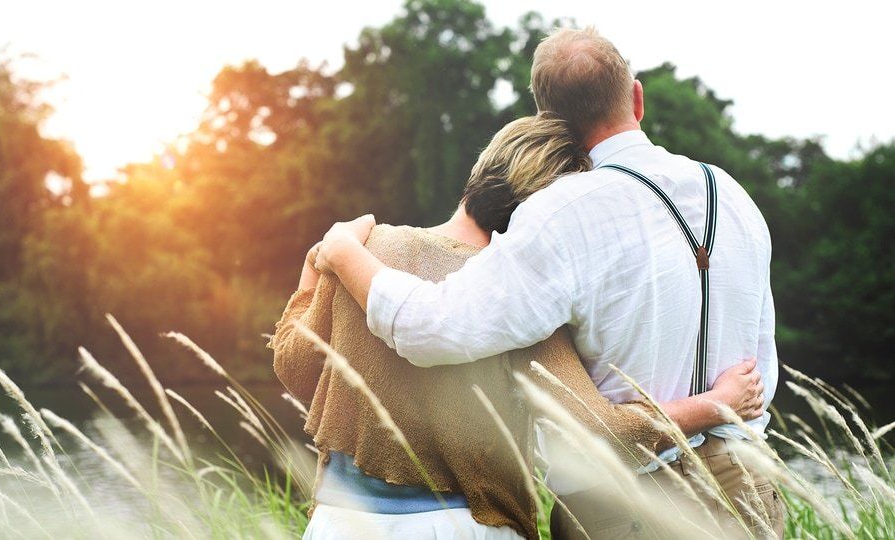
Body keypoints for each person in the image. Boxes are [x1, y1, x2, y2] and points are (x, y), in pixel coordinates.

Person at [313, 27, 783, 539]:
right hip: (748, 488)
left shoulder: (562, 212)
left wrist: (342, 251)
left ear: (547, 122)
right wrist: (718, 405)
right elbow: (759, 350)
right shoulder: (733, 195)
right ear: (637, 98)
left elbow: (434, 330)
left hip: (630, 502)